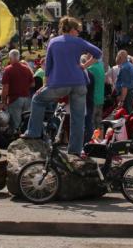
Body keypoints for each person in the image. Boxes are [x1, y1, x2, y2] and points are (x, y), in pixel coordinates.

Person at [23, 17, 102, 156]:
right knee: (78, 119)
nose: (78, 33)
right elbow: (98, 53)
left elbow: (48, 65)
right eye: (77, 30)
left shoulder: (53, 42)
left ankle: (33, 132)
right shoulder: (79, 41)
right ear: (71, 30)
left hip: (59, 84)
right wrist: (84, 66)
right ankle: (75, 150)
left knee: (37, 99)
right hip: (79, 83)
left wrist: (45, 84)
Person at [0, 49, 34, 132]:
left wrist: (3, 101)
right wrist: (23, 85)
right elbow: (33, 84)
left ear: (10, 58)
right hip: (27, 98)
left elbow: (5, 88)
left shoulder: (8, 69)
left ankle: (16, 138)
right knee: (26, 122)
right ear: (18, 57)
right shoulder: (27, 68)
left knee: (16, 124)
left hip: (14, 99)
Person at [87, 53, 106, 132]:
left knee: (92, 124)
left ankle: (94, 139)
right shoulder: (101, 66)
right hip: (100, 98)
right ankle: (100, 138)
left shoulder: (91, 68)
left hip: (93, 99)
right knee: (99, 123)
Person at [115, 50, 133, 114]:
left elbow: (125, 86)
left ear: (120, 57)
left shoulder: (125, 68)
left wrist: (122, 100)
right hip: (130, 94)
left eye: (117, 56)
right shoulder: (131, 65)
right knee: (129, 113)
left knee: (126, 115)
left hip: (126, 96)